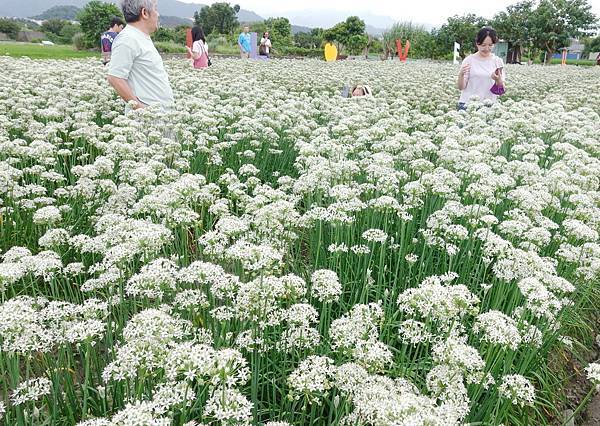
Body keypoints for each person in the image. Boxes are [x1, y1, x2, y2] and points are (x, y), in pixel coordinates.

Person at [107, 0, 174, 111]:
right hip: (147, 120)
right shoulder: (128, 39)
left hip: (159, 116)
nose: (158, 14)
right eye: (155, 9)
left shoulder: (139, 36)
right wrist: (140, 109)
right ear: (144, 13)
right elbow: (115, 78)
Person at [457, 26, 505, 110]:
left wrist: (498, 80)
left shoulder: (498, 61)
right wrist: (461, 74)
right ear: (477, 43)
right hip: (468, 105)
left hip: (489, 107)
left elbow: (501, 90)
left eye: (490, 45)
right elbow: (461, 87)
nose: (487, 48)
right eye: (483, 45)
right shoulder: (469, 60)